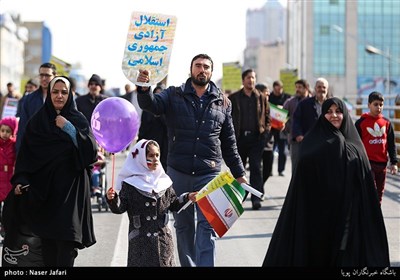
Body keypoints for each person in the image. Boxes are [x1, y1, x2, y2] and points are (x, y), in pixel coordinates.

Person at [136, 53, 248, 267]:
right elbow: (151, 105)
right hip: (179, 172)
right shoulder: (173, 95)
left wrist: (240, 174)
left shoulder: (222, 103)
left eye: (206, 66)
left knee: (208, 227)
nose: (202, 70)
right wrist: (144, 87)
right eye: (198, 66)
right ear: (191, 69)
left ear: (211, 72)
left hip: (210, 174)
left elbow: (229, 143)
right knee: (184, 226)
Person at [263, 97, 390, 267]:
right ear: (322, 115)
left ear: (344, 114)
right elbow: (303, 177)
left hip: (348, 213)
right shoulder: (311, 142)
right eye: (329, 112)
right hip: (317, 217)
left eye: (338, 111)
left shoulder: (355, 144)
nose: (334, 116)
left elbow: (364, 180)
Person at [3, 76, 98, 267]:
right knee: (47, 249)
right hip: (44, 194)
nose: (59, 96)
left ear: (70, 94)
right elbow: (26, 158)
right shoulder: (36, 122)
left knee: (66, 247)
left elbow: (90, 153)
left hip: (70, 193)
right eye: (55, 91)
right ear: (49, 93)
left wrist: (69, 128)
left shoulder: (77, 120)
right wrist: (20, 180)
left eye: (64, 92)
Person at [106, 139, 197, 267]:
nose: (155, 159)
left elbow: (174, 204)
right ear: (142, 158)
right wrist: (112, 199)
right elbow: (120, 207)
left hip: (163, 242)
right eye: (151, 155)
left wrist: (188, 197)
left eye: (157, 155)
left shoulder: (163, 181)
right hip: (140, 245)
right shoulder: (130, 184)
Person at [229, 74, 270, 210]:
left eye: (253, 78)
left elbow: (267, 118)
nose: (251, 80)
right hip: (239, 139)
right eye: (248, 78)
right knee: (238, 171)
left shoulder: (261, 97)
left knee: (256, 168)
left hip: (256, 140)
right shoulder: (234, 98)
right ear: (243, 80)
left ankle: (256, 199)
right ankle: (238, 198)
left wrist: (264, 136)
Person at [355, 91, 398, 204]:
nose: (378, 107)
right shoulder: (361, 123)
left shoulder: (387, 123)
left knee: (379, 194)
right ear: (369, 105)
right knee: (371, 192)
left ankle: (376, 218)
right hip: (367, 164)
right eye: (375, 104)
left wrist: (393, 162)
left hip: (382, 164)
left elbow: (391, 144)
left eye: (381, 104)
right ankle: (368, 218)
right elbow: (355, 144)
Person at [16, 63, 57, 154]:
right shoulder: (29, 99)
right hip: (33, 150)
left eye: (47, 75)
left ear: (55, 76)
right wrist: (19, 152)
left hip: (55, 150)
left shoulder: (62, 98)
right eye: (41, 75)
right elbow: (23, 127)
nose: (44, 78)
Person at [137, 85, 168, 170]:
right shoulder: (147, 111)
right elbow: (143, 128)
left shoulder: (168, 111)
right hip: (149, 146)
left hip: (163, 147)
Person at [268, 80, 291, 176]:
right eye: (276, 90)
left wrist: (282, 109)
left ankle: (280, 170)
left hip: (282, 128)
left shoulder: (287, 98)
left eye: (279, 90)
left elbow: (290, 111)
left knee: (282, 151)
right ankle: (269, 170)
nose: (278, 92)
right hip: (271, 128)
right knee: (270, 150)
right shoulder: (269, 97)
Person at [0, 117, 17, 242]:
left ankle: (5, 229)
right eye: (2, 130)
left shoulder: (14, 145)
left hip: (9, 182)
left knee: (8, 210)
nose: (4, 134)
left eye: (7, 131)